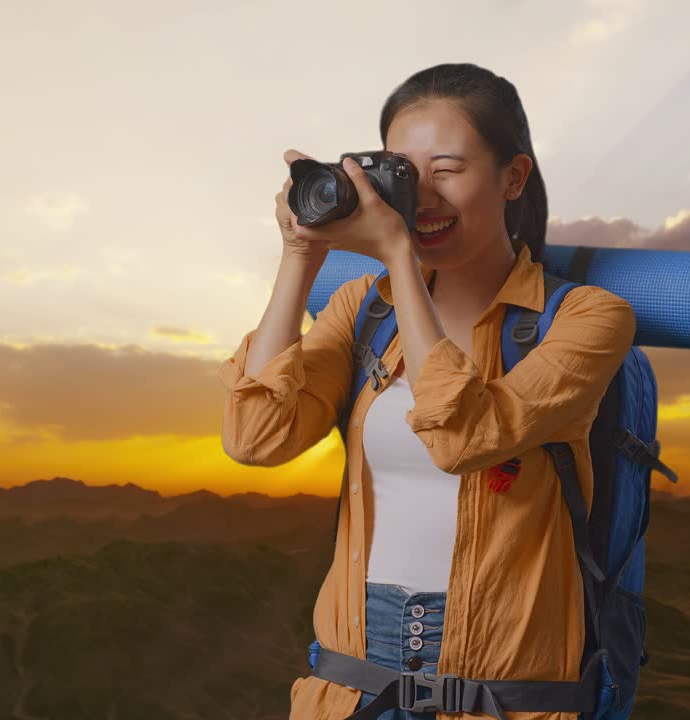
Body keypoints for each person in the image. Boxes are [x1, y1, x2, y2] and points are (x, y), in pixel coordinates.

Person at [219, 62, 636, 720]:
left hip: (504, 696)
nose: (421, 199)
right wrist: (300, 255)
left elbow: (466, 437)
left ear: (513, 177)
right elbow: (256, 438)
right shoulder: (363, 309)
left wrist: (398, 260)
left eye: (446, 169)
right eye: (402, 175)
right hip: (349, 685)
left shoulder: (589, 319)